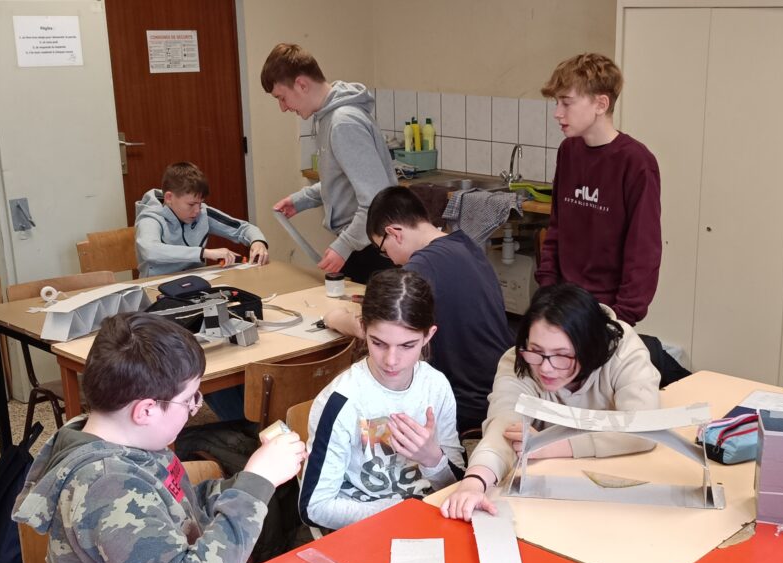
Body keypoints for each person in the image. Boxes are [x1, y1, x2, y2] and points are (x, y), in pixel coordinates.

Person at [13, 312, 306, 563]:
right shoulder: (106, 485)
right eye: (190, 399)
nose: (195, 408)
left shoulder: (132, 441)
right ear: (146, 411)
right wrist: (255, 484)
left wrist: (252, 483)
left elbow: (177, 507)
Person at [440, 283, 661, 521]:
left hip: (622, 482)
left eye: (562, 355)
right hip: (556, 489)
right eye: (536, 350)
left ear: (590, 346)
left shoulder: (622, 350)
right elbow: (503, 428)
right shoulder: (519, 362)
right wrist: (474, 482)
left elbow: (643, 428)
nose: (546, 368)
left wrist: (553, 443)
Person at [321, 186, 513, 435]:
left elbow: (370, 328)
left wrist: (334, 317)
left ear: (394, 233)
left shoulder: (420, 267)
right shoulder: (467, 245)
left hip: (463, 403)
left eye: (383, 249)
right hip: (501, 390)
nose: (391, 260)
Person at [301, 269, 464, 531]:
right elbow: (314, 507)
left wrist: (433, 459)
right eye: (378, 343)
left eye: (407, 346)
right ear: (363, 329)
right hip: (368, 527)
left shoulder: (436, 386)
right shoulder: (341, 401)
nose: (391, 360)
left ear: (428, 335)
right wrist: (401, 513)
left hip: (428, 518)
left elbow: (456, 487)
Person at [537, 53, 662, 327]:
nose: (557, 112)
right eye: (556, 102)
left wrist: (621, 318)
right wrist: (546, 291)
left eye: (566, 102)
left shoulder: (636, 162)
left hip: (609, 312)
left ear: (600, 104)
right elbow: (557, 227)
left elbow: (643, 250)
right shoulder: (568, 151)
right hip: (561, 302)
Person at [261, 42, 397, 283]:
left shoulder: (343, 123)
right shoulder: (326, 118)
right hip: (362, 242)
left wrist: (344, 246)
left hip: (372, 248)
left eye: (282, 98)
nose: (283, 108)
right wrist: (302, 199)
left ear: (302, 84)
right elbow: (342, 181)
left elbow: (377, 201)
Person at [134, 161, 269, 278]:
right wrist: (204, 253)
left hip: (196, 280)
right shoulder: (150, 218)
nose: (197, 210)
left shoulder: (202, 213)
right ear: (169, 198)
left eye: (200, 203)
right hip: (156, 284)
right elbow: (150, 251)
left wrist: (257, 241)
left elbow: (243, 228)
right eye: (191, 204)